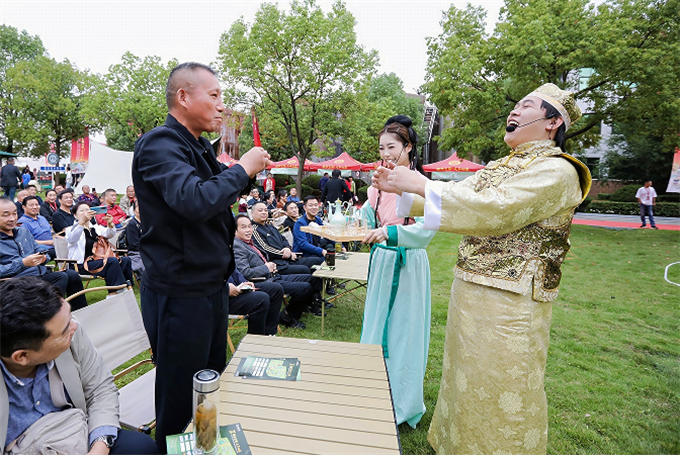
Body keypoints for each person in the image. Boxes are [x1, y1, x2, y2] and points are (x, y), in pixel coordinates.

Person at [374, 83, 591, 455]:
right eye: (515, 105)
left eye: (526, 106)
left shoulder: (558, 171)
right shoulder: (502, 166)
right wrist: (402, 188)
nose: (514, 111)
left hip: (512, 301)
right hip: (470, 290)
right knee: (464, 380)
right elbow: (466, 194)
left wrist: (421, 184)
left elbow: (497, 208)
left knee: (505, 385)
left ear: (552, 122)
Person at [132, 61, 269, 453]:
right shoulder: (159, 144)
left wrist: (242, 174)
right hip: (180, 291)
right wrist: (242, 168)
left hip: (210, 287)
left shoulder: (197, 147)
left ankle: (205, 446)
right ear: (184, 97)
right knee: (180, 396)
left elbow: (213, 201)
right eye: (214, 95)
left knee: (208, 383)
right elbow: (194, 200)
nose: (222, 105)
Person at [0, 277, 159, 455]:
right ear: (22, 356)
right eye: (64, 331)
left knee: (141, 448)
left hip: (76, 432)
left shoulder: (70, 329)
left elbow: (100, 389)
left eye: (69, 317)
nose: (74, 326)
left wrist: (99, 447)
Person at [358, 115, 437, 428]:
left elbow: (426, 228)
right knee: (377, 324)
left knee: (404, 330)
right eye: (381, 147)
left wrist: (389, 233)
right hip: (382, 262)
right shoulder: (378, 185)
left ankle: (401, 402)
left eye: (392, 146)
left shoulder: (420, 183)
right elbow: (367, 218)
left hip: (408, 264)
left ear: (408, 147)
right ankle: (372, 393)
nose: (385, 153)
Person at [0, 196, 88, 311]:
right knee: (60, 277)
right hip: (15, 281)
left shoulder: (23, 232)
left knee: (72, 275)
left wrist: (43, 258)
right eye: (6, 215)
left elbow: (39, 250)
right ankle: (51, 315)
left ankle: (80, 312)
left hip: (38, 274)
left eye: (14, 213)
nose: (12, 218)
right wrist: (23, 263)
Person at [233, 215, 315, 328]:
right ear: (235, 230)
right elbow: (245, 272)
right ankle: (287, 317)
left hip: (274, 275)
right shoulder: (237, 246)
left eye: (249, 226)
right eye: (243, 227)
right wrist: (266, 268)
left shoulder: (249, 242)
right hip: (263, 282)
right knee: (305, 287)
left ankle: (295, 312)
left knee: (311, 278)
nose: (248, 230)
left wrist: (270, 266)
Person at [66, 202, 133, 291]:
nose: (85, 213)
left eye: (87, 210)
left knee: (125, 260)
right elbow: (72, 239)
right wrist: (81, 223)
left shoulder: (96, 228)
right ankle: (116, 291)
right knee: (111, 261)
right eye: (81, 211)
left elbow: (109, 234)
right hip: (81, 265)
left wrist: (110, 223)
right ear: (75, 215)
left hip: (98, 260)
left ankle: (128, 287)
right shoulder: (71, 229)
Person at [250, 201, 325, 274]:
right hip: (277, 264)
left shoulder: (270, 226)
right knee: (305, 270)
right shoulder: (253, 229)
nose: (264, 212)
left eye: (266, 210)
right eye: (260, 210)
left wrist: (287, 248)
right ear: (252, 213)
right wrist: (287, 255)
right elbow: (265, 249)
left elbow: (283, 239)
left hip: (289, 259)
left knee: (317, 261)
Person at [227, 268, 283, 336]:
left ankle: (269, 334)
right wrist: (225, 287)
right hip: (220, 298)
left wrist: (244, 282)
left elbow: (232, 270)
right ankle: (255, 340)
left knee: (275, 289)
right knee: (261, 299)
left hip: (236, 288)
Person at [125, 201, 145, 278]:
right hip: (136, 253)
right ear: (133, 210)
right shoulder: (132, 224)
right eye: (138, 207)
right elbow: (133, 244)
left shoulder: (147, 223)